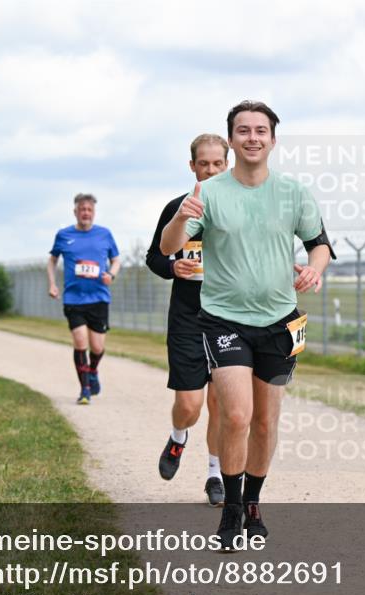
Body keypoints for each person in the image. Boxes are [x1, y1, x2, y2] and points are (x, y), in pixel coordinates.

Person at [161, 100, 334, 548]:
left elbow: (320, 244)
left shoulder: (294, 192)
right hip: (223, 318)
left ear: (273, 140)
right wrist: (181, 217)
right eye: (243, 130)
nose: (252, 137)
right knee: (236, 415)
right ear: (232, 138)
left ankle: (254, 502)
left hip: (280, 321)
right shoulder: (210, 192)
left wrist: (315, 268)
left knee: (265, 423)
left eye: (261, 130)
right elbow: (168, 247)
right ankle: (231, 512)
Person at [147, 134, 230, 506]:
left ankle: (215, 474)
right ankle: (179, 437)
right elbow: (154, 257)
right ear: (192, 166)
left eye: (217, 164)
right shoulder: (176, 208)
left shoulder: (239, 208)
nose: (211, 170)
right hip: (187, 318)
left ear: (227, 165)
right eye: (204, 164)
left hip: (230, 318)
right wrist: (172, 266)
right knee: (190, 406)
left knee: (223, 404)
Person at [47, 193, 122, 405]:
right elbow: (52, 261)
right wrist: (52, 284)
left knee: (97, 347)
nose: (85, 213)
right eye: (82, 209)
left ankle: (93, 370)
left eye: (89, 209)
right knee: (80, 340)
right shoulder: (64, 235)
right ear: (75, 212)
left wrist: (112, 275)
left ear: (94, 212)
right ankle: (85, 389)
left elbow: (115, 260)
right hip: (73, 298)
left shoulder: (104, 234)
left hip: (99, 297)